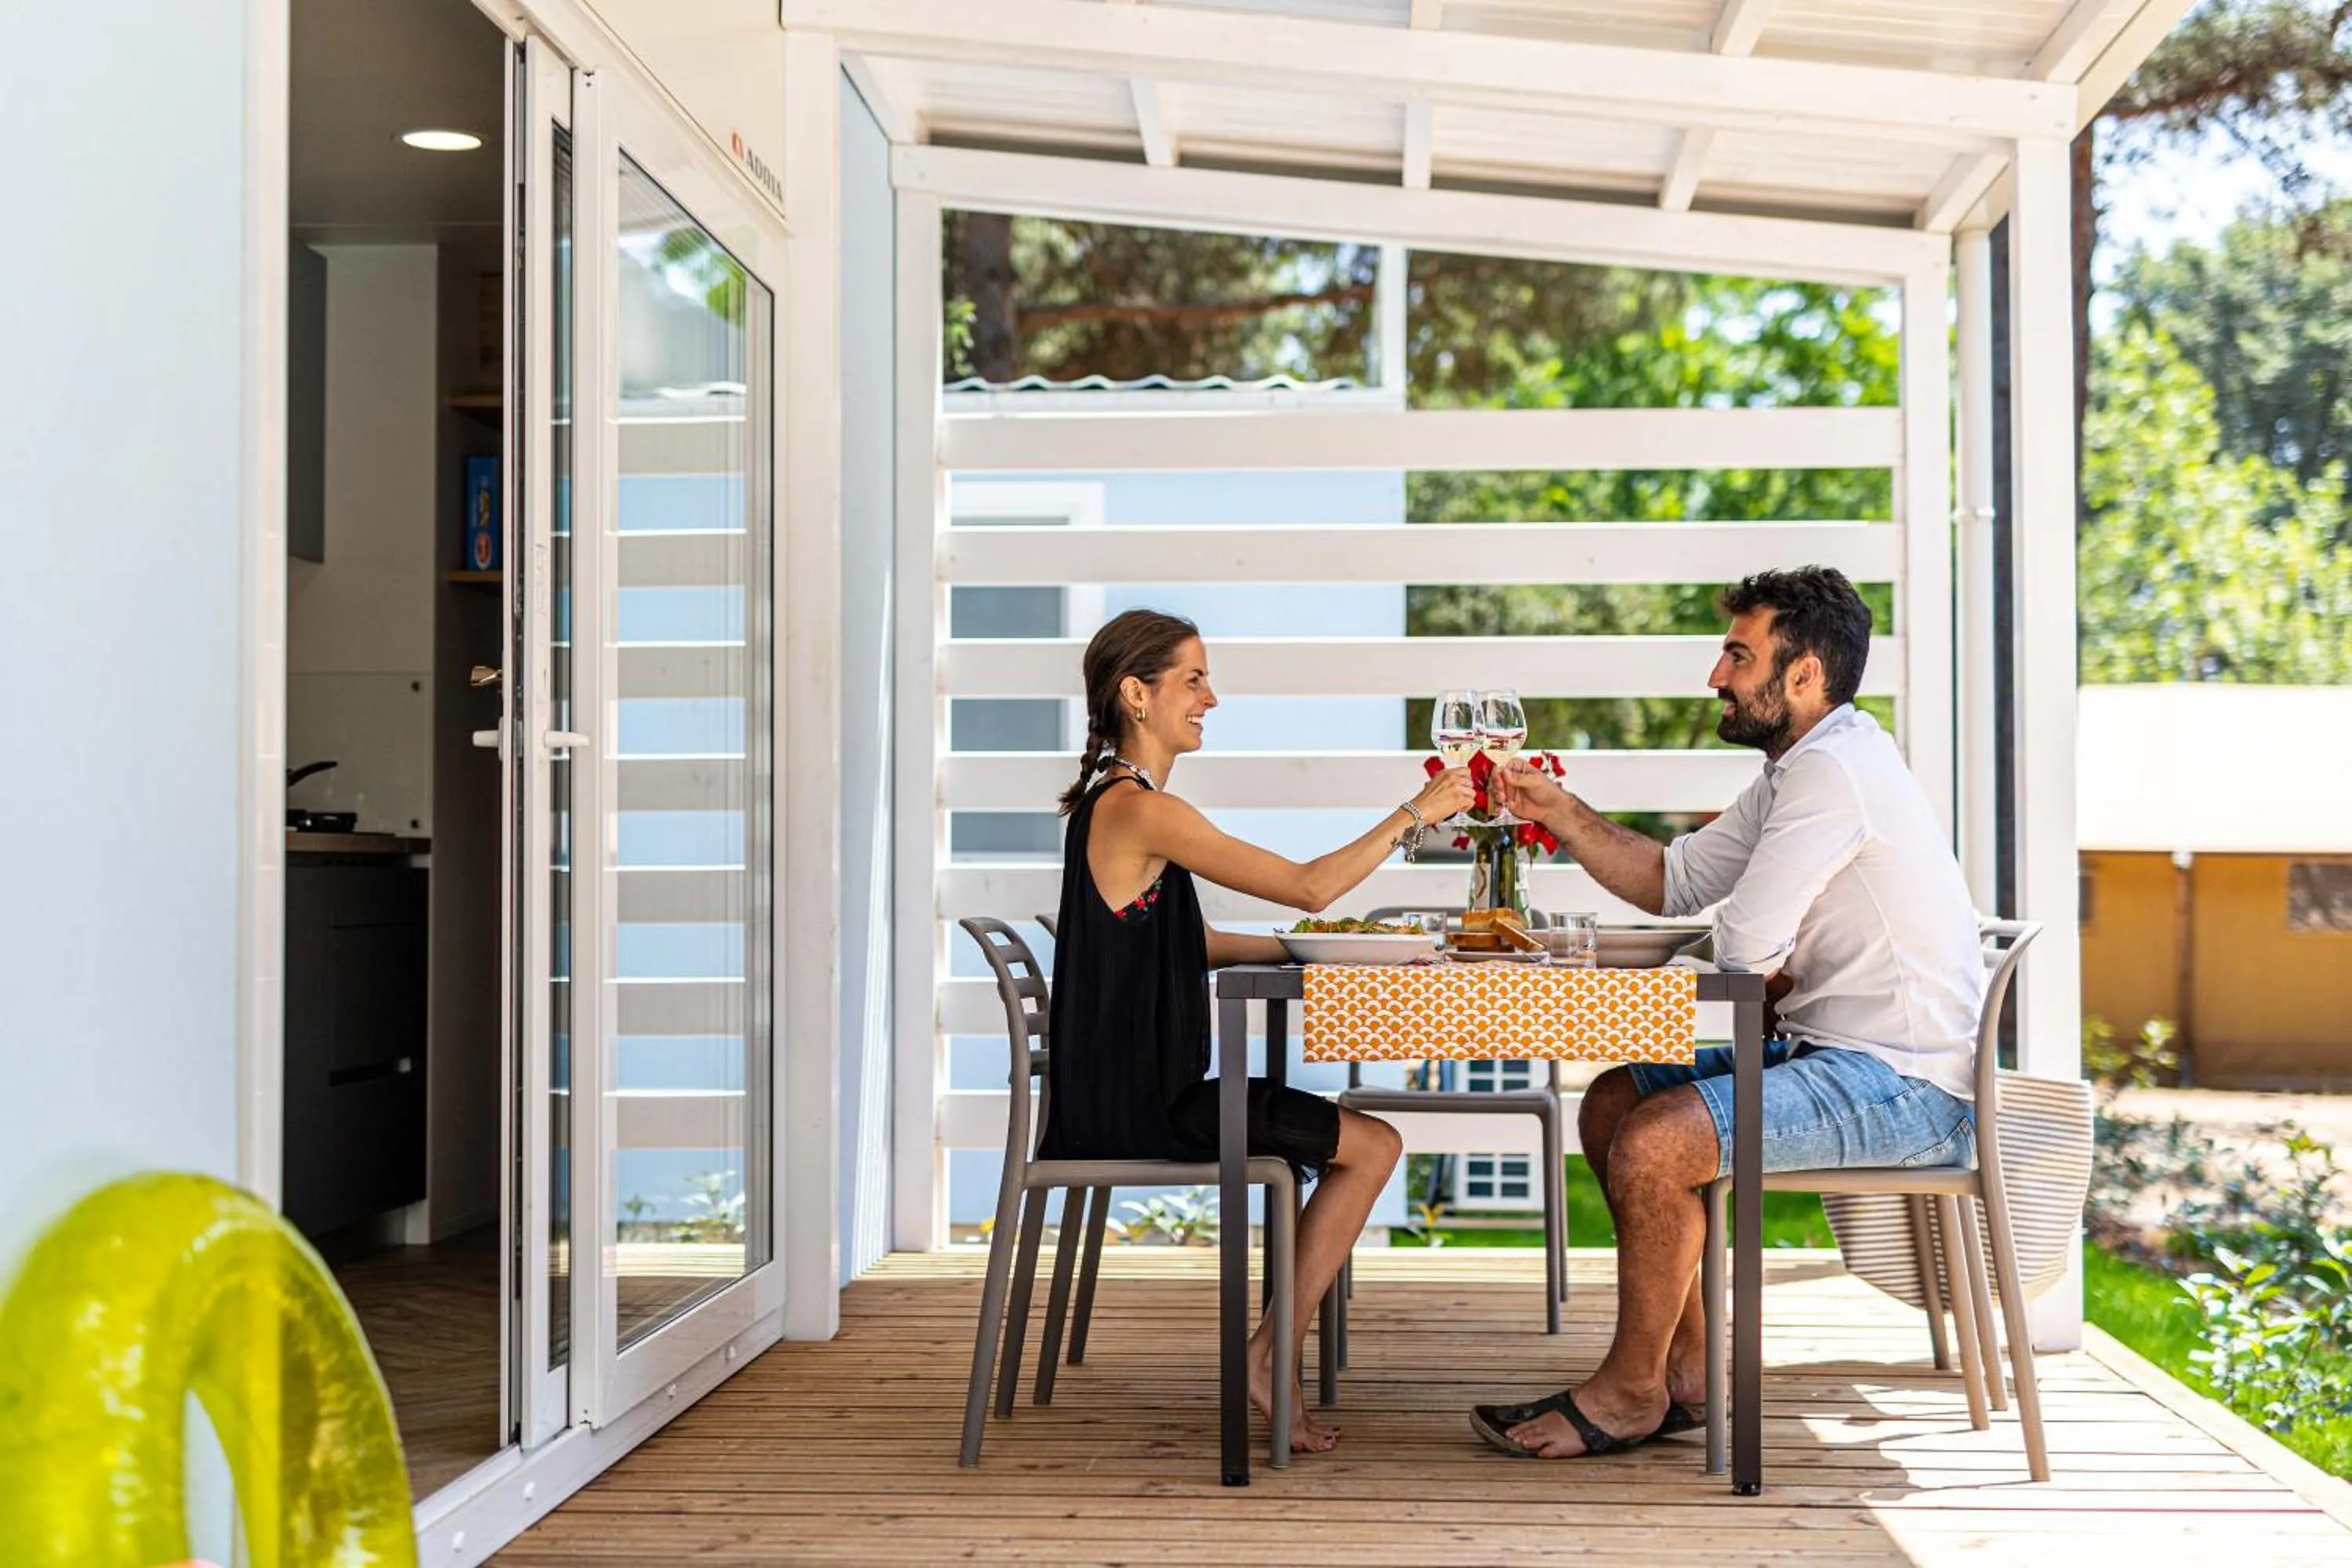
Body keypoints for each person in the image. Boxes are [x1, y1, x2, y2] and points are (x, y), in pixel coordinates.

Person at [1471, 566, 1987, 1461]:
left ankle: (1629, 1394)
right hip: (1834, 1055)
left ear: (1804, 675)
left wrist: (1750, 950)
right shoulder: (1804, 766)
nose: (1717, 674)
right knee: (1614, 1098)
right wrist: (1557, 809)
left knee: (1657, 1140)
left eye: (1738, 655)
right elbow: (1677, 880)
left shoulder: (1834, 768)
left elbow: (1743, 946)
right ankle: (1690, 1366)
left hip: (1904, 1083)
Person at [1044, 608, 1475, 1454]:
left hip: (1123, 1093)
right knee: (1376, 1144)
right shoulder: (1139, 810)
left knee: (1354, 1137)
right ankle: (1267, 1357)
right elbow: (1311, 885)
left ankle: (1270, 1352)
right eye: (1194, 678)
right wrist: (1413, 812)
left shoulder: (1117, 806)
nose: (1213, 695)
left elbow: (1191, 942)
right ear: (1137, 692)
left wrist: (1308, 951)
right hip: (1149, 1107)